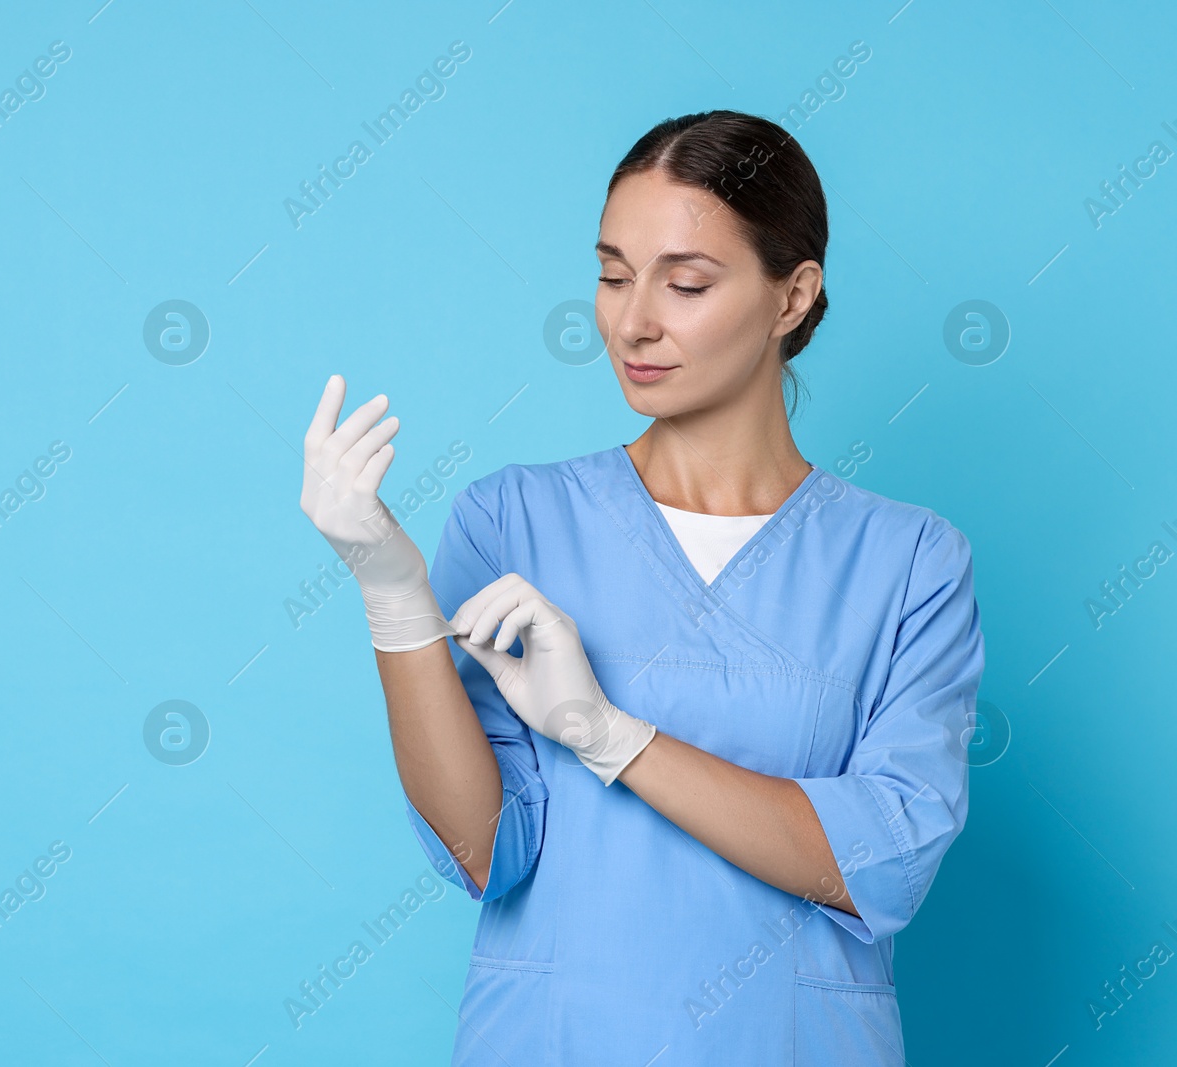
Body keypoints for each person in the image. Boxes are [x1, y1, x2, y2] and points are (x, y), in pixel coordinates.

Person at [298, 109, 984, 1065]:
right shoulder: (513, 521)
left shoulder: (909, 563)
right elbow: (485, 852)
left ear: (793, 297)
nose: (632, 322)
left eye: (687, 282)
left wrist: (607, 734)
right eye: (613, 275)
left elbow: (881, 862)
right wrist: (394, 595)